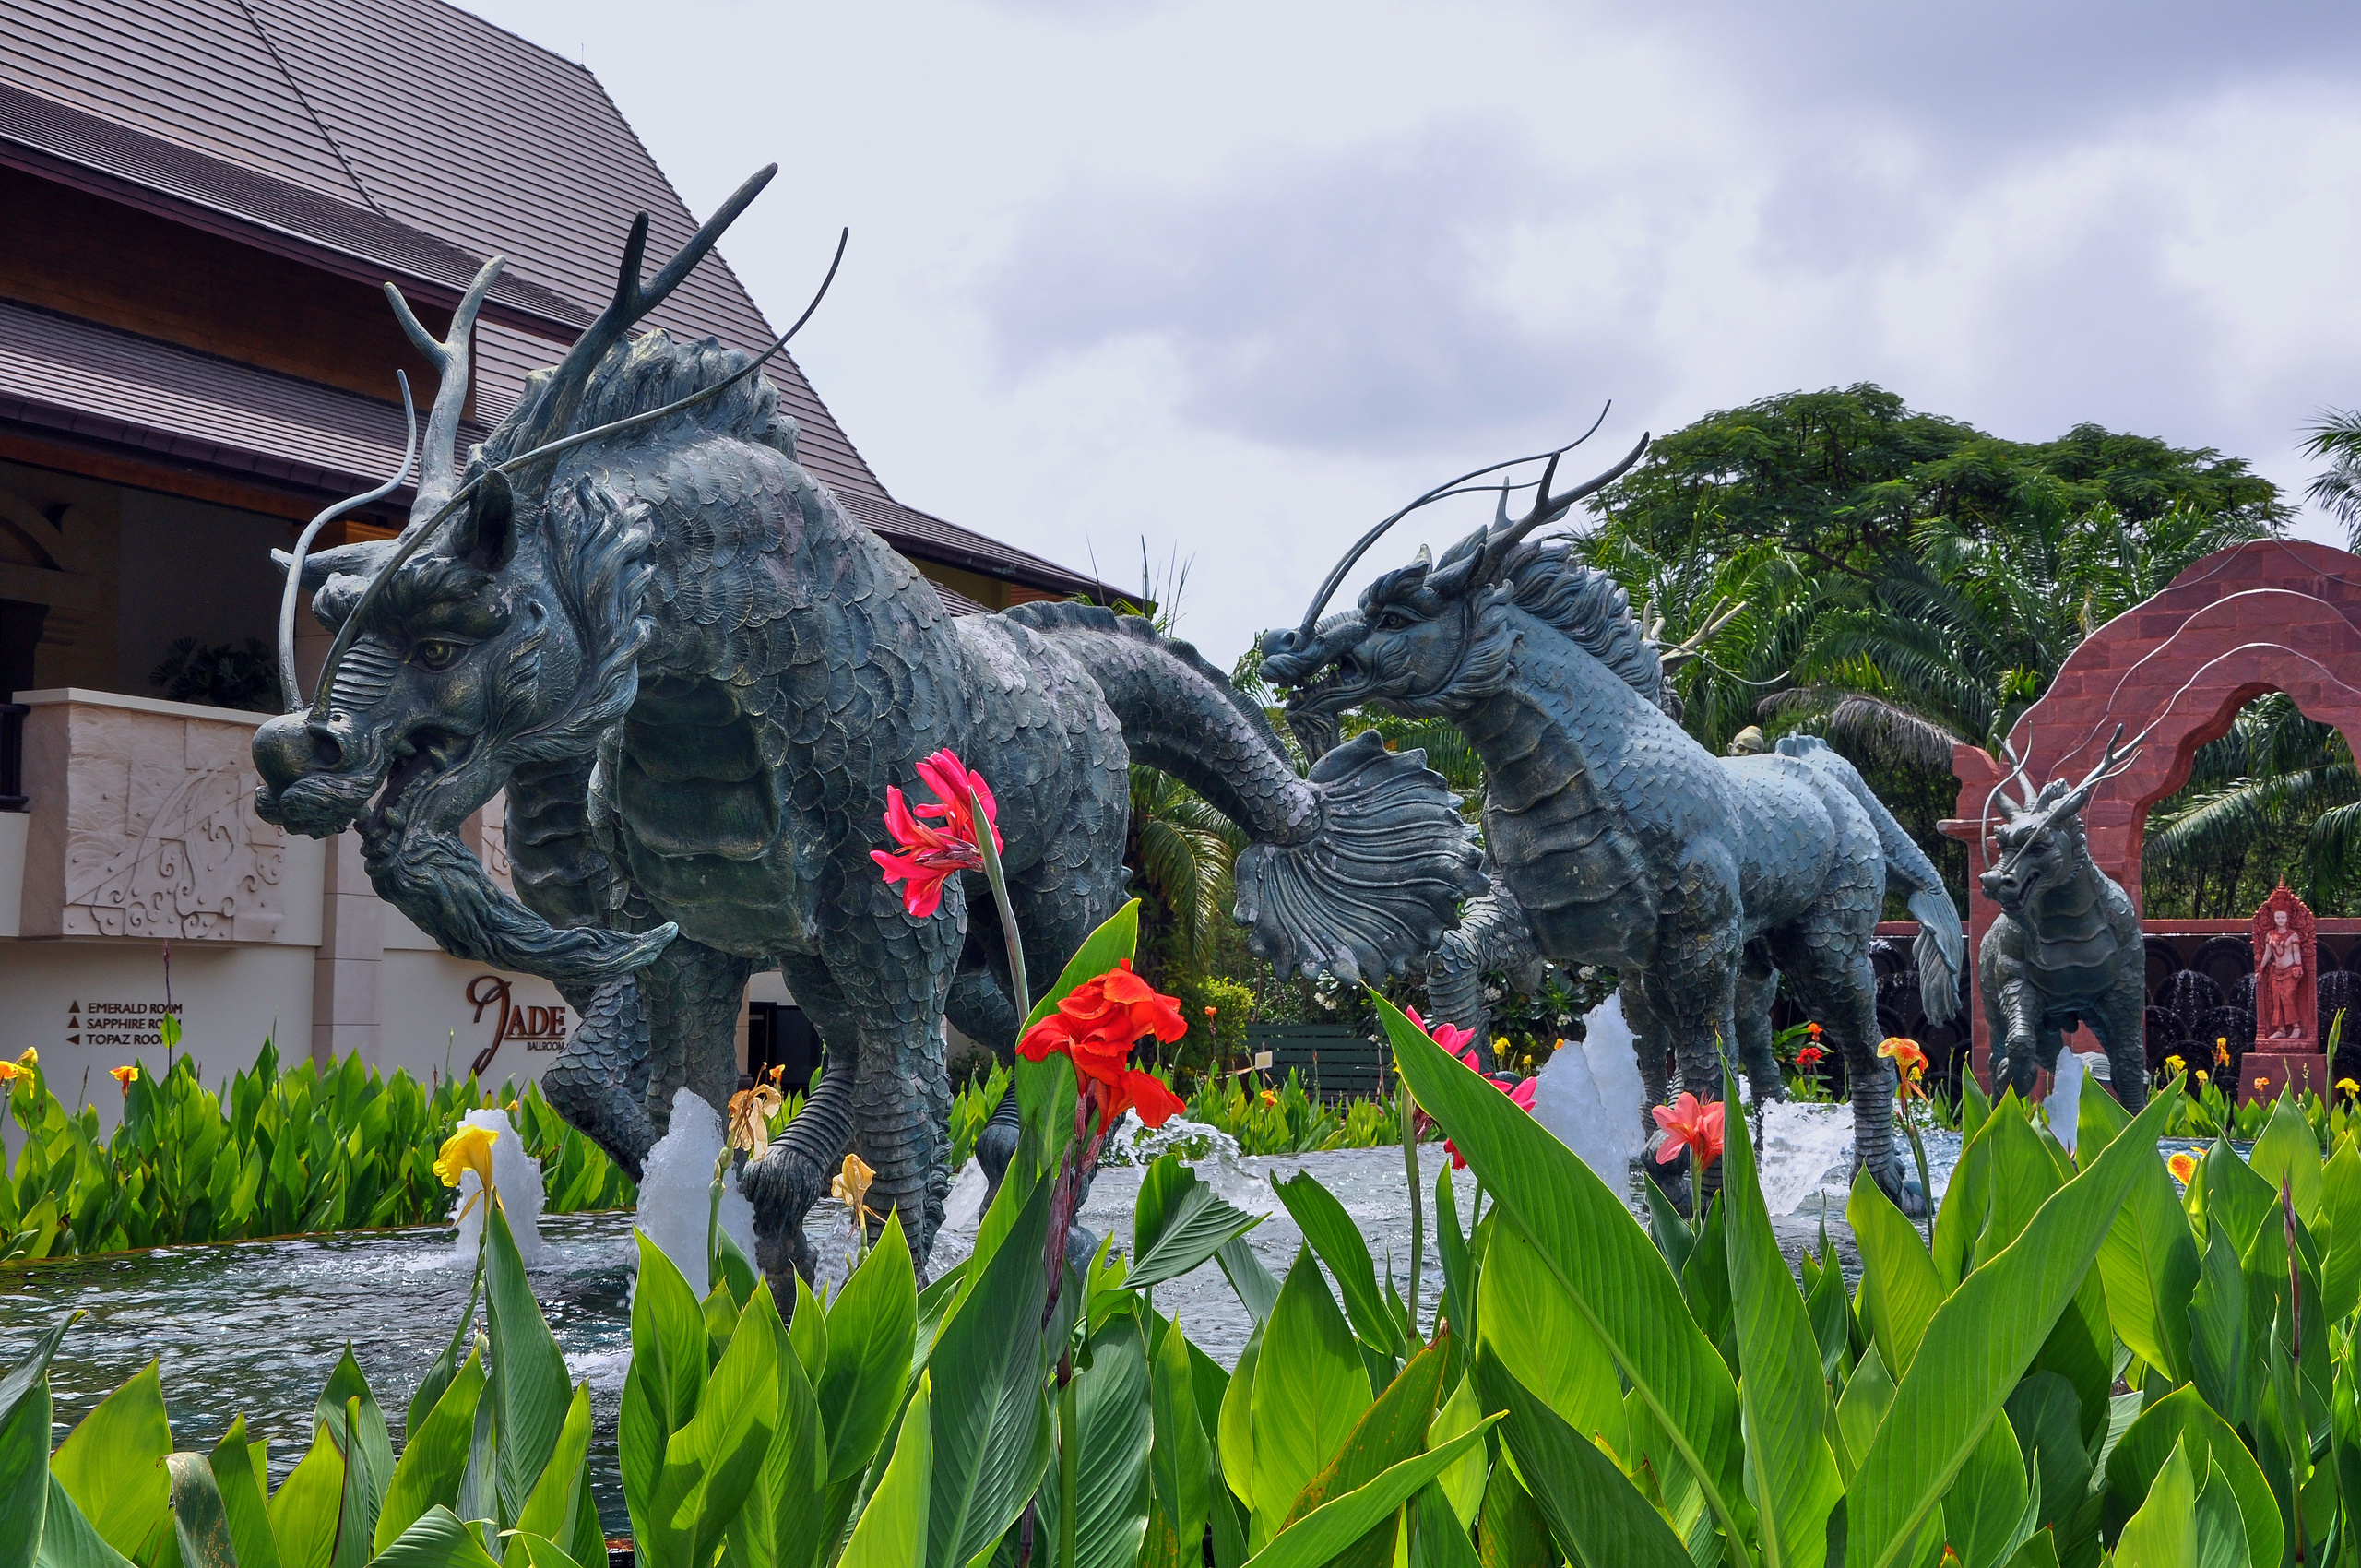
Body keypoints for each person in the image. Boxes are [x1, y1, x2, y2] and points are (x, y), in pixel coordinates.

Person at [2260, 905, 2306, 1040]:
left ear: (2287, 919)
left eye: (2283, 917)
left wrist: (2298, 966)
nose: (2280, 920)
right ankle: (2281, 1029)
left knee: (2287, 997)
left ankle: (2296, 1027)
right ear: (2274, 918)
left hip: (2291, 970)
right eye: (2278, 917)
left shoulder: (2293, 935)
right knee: (2276, 999)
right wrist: (2260, 969)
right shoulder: (2270, 935)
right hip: (2276, 971)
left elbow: (2296, 952)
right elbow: (2268, 954)